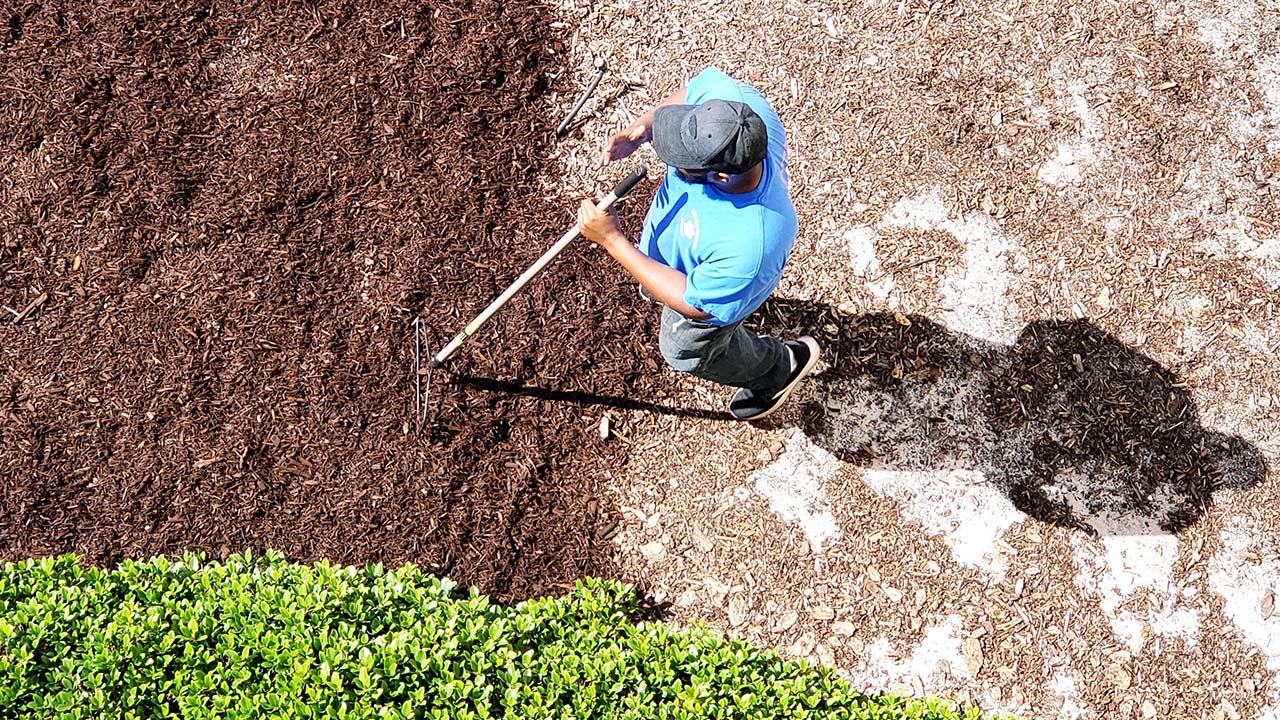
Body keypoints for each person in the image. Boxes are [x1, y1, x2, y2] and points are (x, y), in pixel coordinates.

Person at [577, 66, 819, 421]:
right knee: (676, 285)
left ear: (721, 175)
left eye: (681, 160)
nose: (668, 156)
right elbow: (692, 94)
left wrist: (613, 241)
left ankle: (779, 368)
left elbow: (695, 303)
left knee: (683, 351)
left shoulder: (751, 244)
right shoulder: (735, 108)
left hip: (705, 292)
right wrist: (644, 128)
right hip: (694, 258)